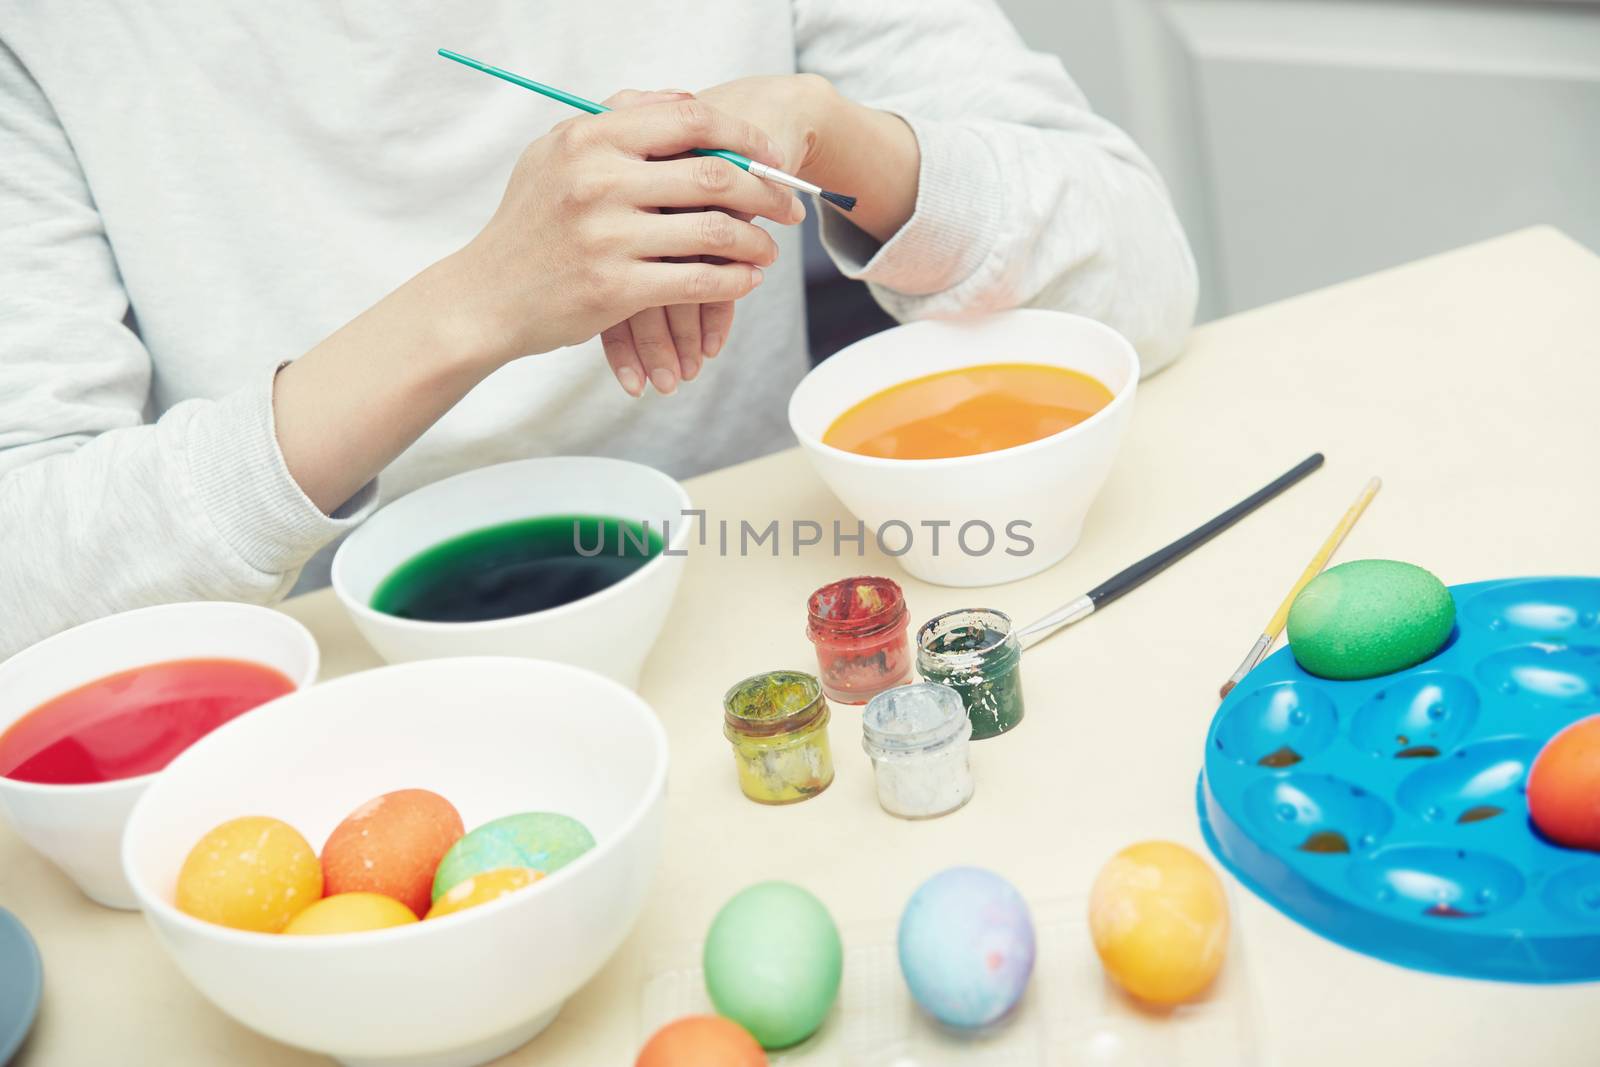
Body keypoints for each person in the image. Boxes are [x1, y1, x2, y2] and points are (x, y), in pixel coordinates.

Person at [0, 2, 1197, 659]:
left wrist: (843, 142)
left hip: (747, 621)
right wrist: (476, 304)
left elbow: (1140, 287)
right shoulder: (52, 41)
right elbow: (25, 576)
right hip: (328, 694)